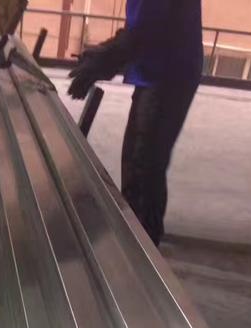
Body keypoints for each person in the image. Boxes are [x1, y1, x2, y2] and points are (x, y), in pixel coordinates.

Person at [69, 0, 203, 247]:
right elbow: (140, 27)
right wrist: (105, 54)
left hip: (168, 75)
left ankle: (143, 250)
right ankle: (141, 240)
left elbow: (145, 31)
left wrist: (103, 60)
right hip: (160, 69)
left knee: (143, 168)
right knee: (140, 164)